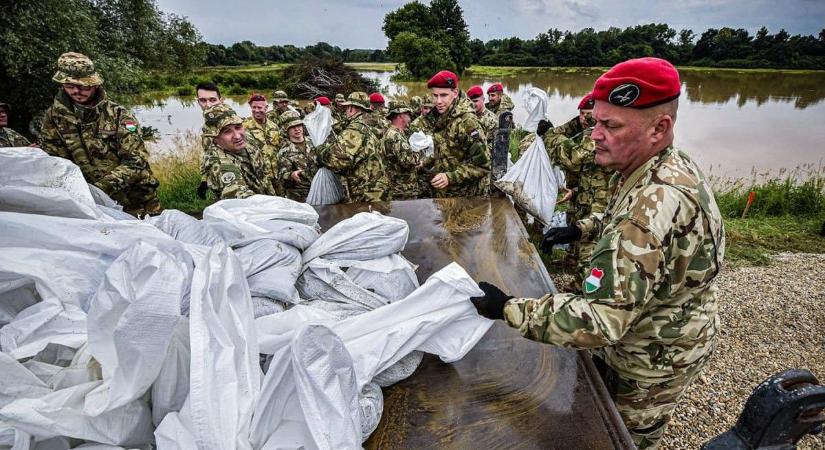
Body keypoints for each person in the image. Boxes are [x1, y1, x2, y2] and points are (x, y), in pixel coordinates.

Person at [470, 57, 726, 450]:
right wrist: (581, 228)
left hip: (649, 359)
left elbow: (601, 321)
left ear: (660, 128)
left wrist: (510, 308)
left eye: (611, 126)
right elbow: (620, 222)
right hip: (667, 330)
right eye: (595, 122)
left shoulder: (646, 215)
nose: (594, 135)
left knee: (617, 438)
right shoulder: (664, 167)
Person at [40, 52, 160, 217]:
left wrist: (99, 190)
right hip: (87, 205)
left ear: (94, 84)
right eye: (69, 85)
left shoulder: (119, 115)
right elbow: (55, 163)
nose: (76, 91)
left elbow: (136, 161)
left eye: (83, 86)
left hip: (136, 202)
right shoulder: (53, 117)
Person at [538, 93, 614, 292]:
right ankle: (573, 285)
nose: (584, 118)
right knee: (575, 248)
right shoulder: (584, 129)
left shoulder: (597, 136)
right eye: (581, 113)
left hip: (599, 209)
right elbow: (589, 173)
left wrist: (549, 135)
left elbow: (573, 158)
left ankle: (586, 296)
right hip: (583, 200)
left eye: (589, 114)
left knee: (590, 255)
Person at [420, 70, 490, 198]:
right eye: (435, 95)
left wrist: (450, 177)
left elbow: (483, 166)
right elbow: (445, 149)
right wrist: (424, 162)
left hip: (466, 197)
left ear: (455, 93)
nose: (438, 101)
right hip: (446, 194)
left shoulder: (467, 122)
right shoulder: (441, 115)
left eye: (443, 95)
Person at [315, 92, 390, 203]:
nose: (345, 111)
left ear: (351, 108)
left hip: (368, 194)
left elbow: (337, 160)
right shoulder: (364, 126)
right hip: (374, 191)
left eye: (346, 108)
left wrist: (319, 150)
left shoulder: (355, 130)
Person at [203, 104, 275, 200]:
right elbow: (243, 198)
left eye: (238, 127)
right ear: (215, 139)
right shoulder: (221, 165)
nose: (237, 136)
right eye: (227, 131)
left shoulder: (248, 138)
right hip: (248, 212)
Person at [381, 101, 420, 200]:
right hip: (402, 191)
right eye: (408, 114)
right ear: (400, 116)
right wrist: (420, 151)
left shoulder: (391, 133)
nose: (410, 118)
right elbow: (408, 162)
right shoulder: (396, 136)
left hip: (396, 187)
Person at [276, 114, 318, 202]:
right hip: (300, 195)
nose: (297, 129)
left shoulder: (314, 141)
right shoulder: (284, 151)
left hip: (320, 188)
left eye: (299, 125)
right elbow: (281, 174)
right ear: (286, 130)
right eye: (292, 127)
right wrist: (291, 175)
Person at [195, 82, 224, 199]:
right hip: (217, 184)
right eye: (203, 100)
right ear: (198, 102)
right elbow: (209, 154)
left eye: (213, 100)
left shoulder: (232, 125)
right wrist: (205, 180)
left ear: (221, 100)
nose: (208, 105)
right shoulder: (208, 126)